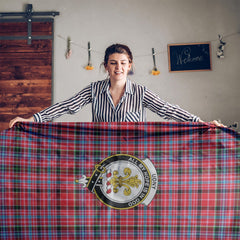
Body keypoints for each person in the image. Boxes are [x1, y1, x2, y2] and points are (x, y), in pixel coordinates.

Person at [9, 43, 224, 128]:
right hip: (101, 155)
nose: (118, 68)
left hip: (136, 156)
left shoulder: (141, 93)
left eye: (123, 63)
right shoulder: (93, 90)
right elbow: (65, 106)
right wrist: (32, 119)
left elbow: (168, 109)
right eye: (113, 63)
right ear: (106, 66)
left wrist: (202, 122)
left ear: (130, 65)